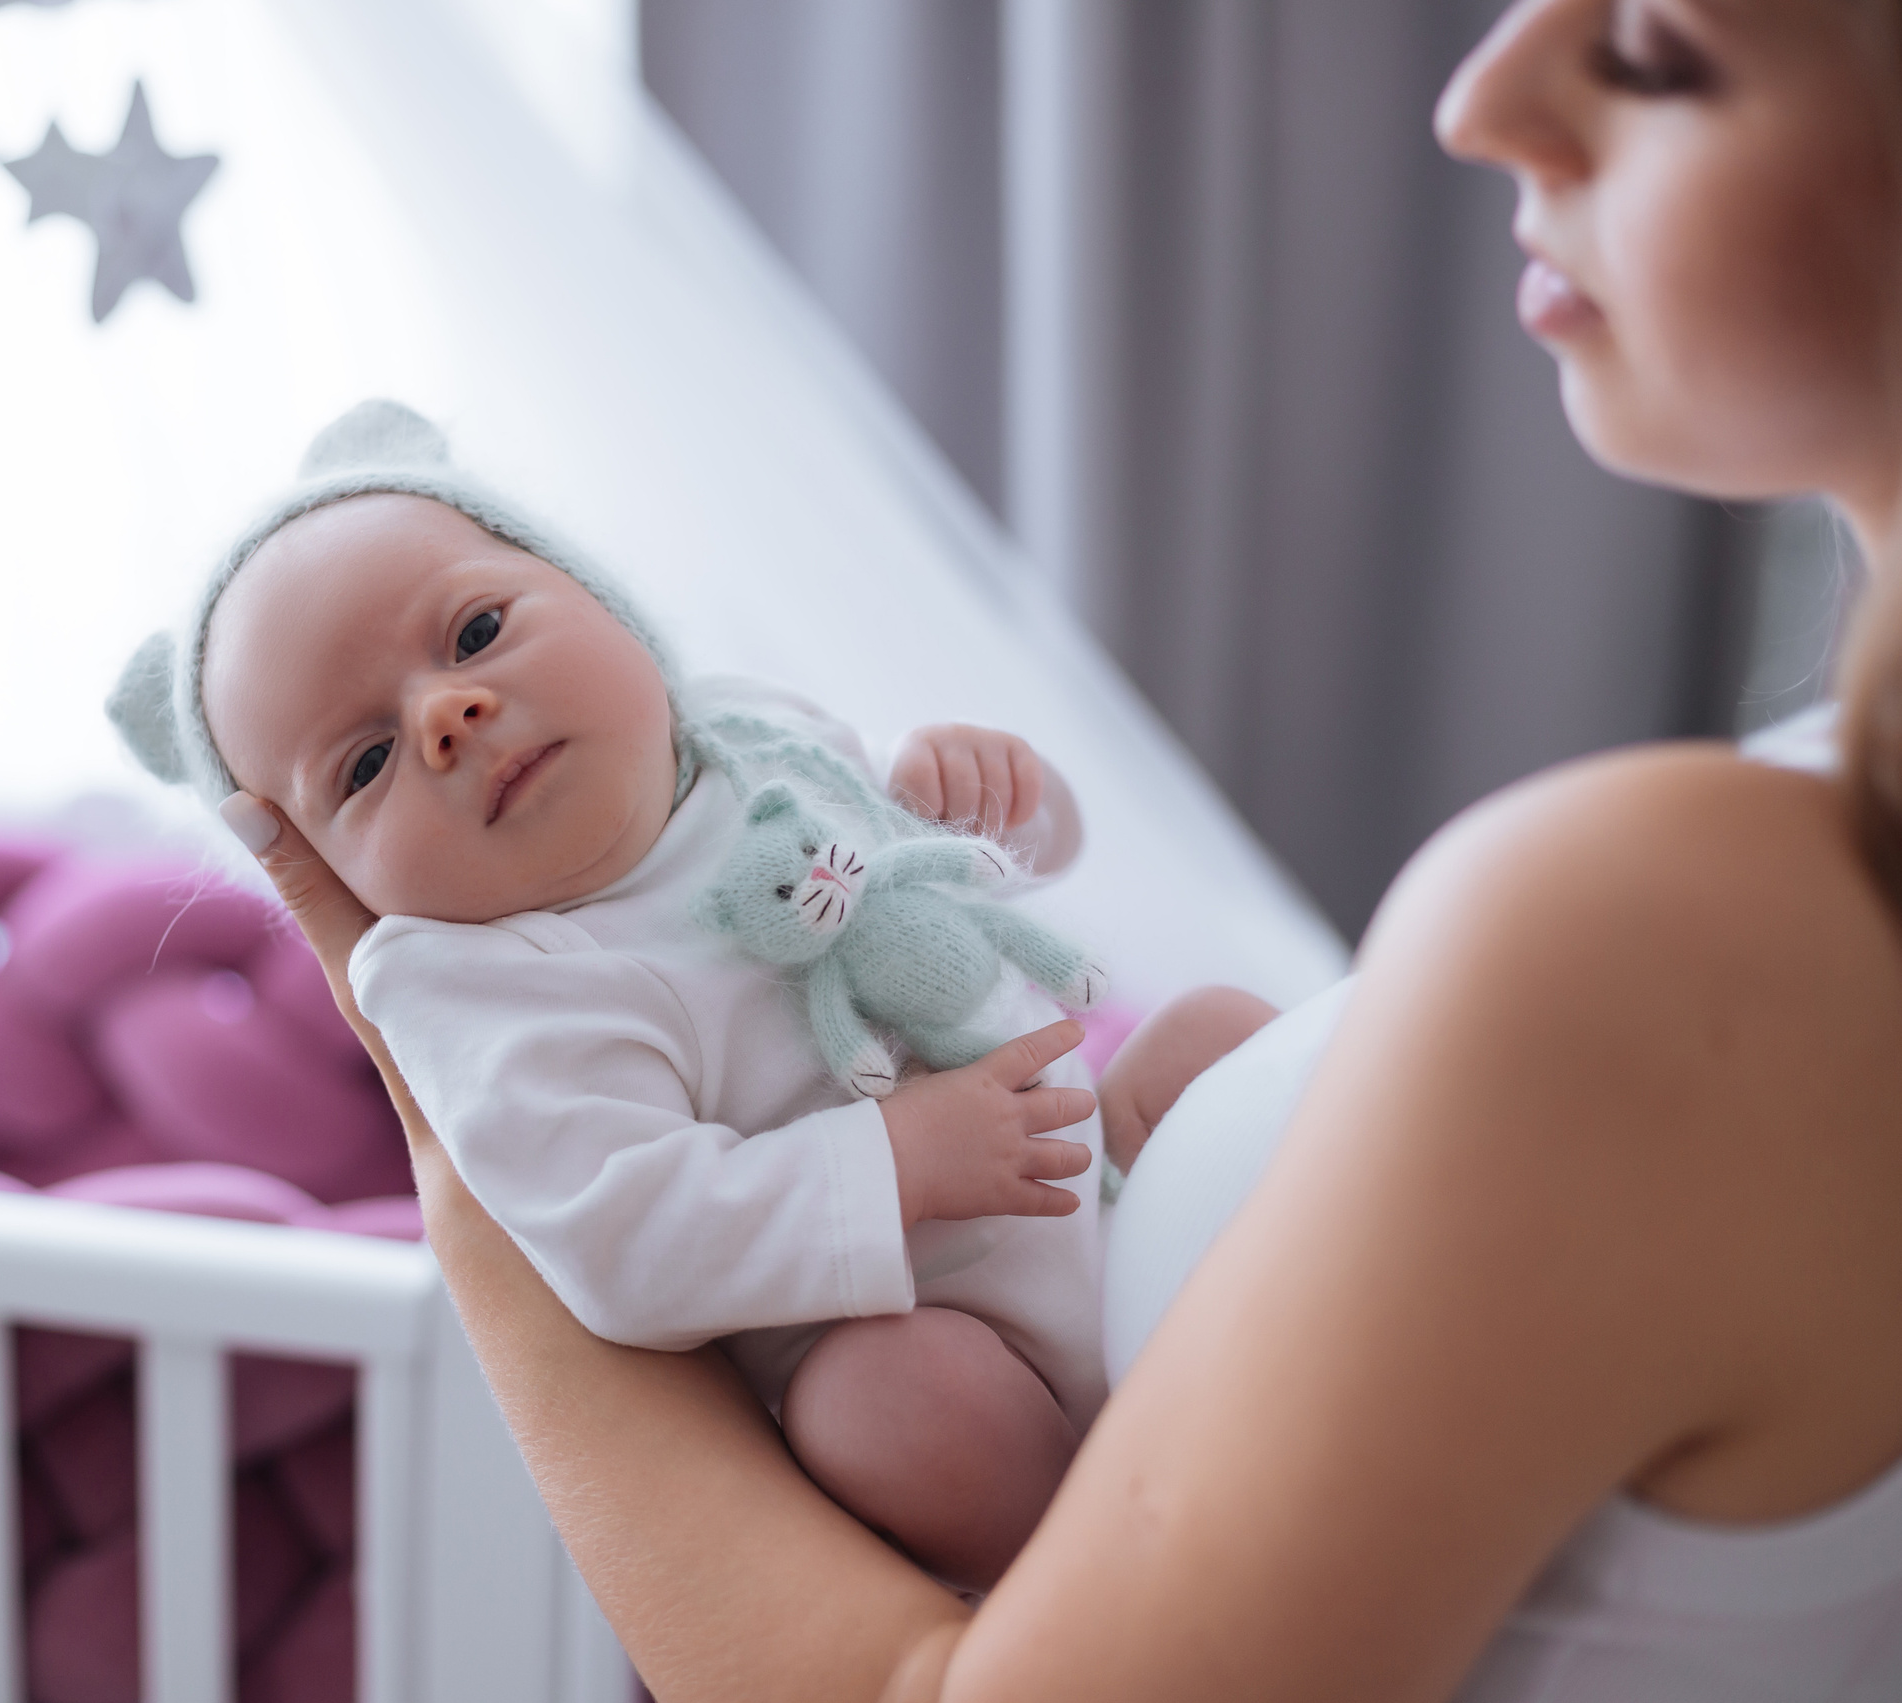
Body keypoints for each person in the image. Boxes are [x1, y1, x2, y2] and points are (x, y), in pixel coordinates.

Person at [220, 0, 1902, 1697]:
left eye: (1659, 46)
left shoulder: (1662, 933)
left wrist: (476, 1203)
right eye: (366, 756)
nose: (1482, 95)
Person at [111, 402, 1270, 1590]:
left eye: (475, 631)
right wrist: (895, 1161)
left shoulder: (746, 737)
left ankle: (1329, 1344)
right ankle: (1117, 1585)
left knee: (1220, 1037)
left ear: (595, 595)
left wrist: (995, 799)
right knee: (874, 1407)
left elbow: (991, 880)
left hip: (1104, 1182)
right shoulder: (488, 987)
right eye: (364, 764)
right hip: (963, 1342)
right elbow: (628, 1243)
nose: (445, 716)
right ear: (334, 875)